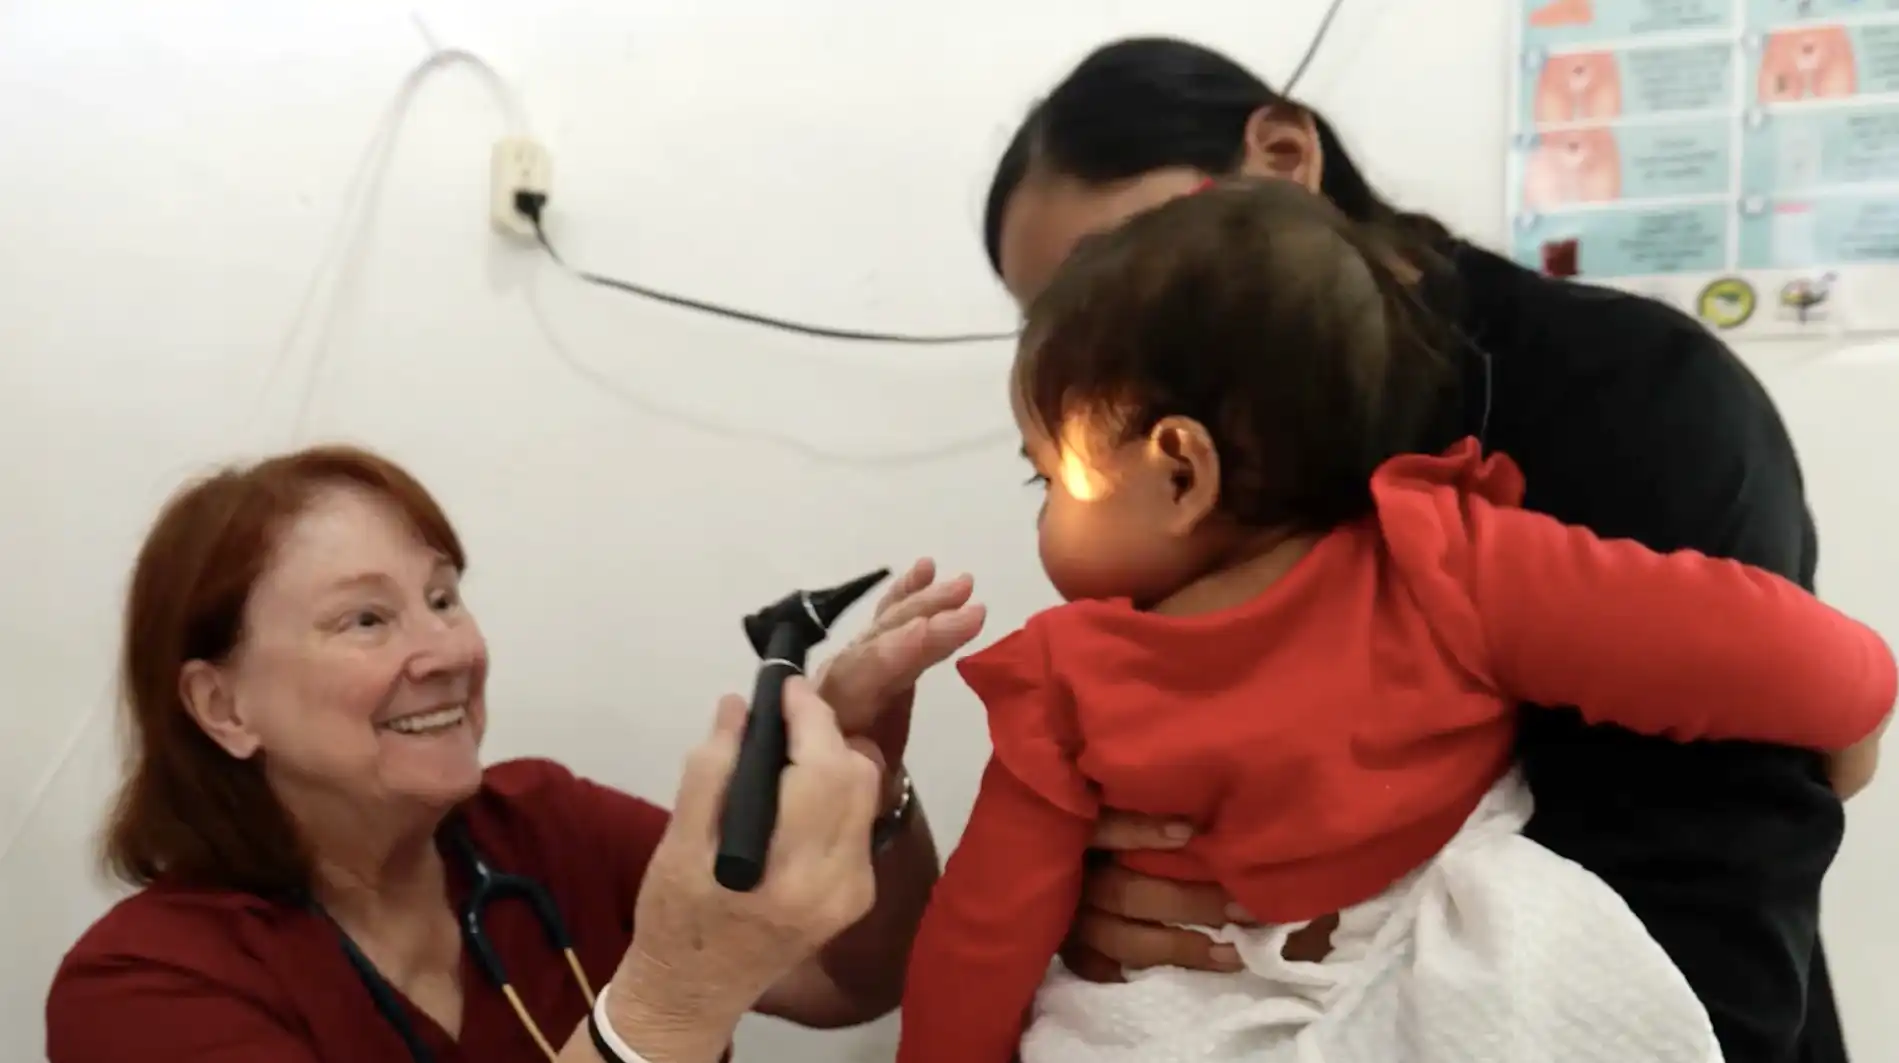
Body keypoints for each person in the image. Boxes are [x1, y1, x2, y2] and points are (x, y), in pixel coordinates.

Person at [985, 36, 1879, 1063]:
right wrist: (1085, 891)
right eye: (1055, 321)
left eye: (1118, 261)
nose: (1097, 343)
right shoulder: (1153, 514)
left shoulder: (1630, 400)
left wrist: (1315, 907)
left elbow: (1713, 928)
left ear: (1283, 156)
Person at [42, 445, 987, 1063]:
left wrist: (869, 776)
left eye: (443, 598)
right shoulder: (141, 988)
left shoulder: (544, 825)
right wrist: (663, 1004)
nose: (449, 651)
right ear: (224, 706)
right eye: (366, 619)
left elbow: (850, 979)